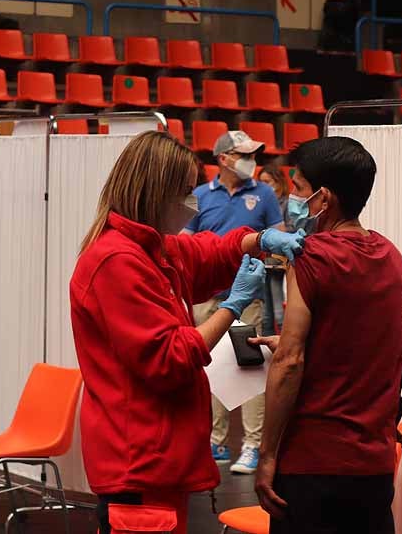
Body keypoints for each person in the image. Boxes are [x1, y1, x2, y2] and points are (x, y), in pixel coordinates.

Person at [70, 131, 304, 534]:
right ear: (155, 191)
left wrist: (259, 240)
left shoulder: (152, 247)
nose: (190, 202)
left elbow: (208, 253)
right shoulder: (116, 261)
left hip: (160, 457)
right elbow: (169, 359)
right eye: (182, 192)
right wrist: (231, 307)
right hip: (138, 460)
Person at [251, 136, 402, 534]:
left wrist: (266, 455)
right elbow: (379, 344)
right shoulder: (392, 257)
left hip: (313, 464)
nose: (294, 199)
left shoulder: (312, 256)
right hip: (372, 468)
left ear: (324, 199)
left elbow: (289, 363)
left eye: (300, 189)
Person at [183, 130, 284, 475]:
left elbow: (276, 239)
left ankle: (252, 445)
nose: (251, 161)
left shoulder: (265, 194)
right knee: (207, 367)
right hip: (205, 298)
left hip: (248, 298)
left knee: (249, 367)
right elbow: (184, 241)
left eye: (254, 155)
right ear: (223, 159)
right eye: (244, 155)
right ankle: (215, 440)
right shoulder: (198, 195)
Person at [258, 164, 291, 334]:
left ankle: (285, 345)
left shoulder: (286, 203)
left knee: (278, 310)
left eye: (268, 181)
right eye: (261, 182)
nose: (264, 186)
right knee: (265, 313)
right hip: (263, 261)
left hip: (277, 262)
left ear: (278, 182)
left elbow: (289, 229)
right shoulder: (260, 203)